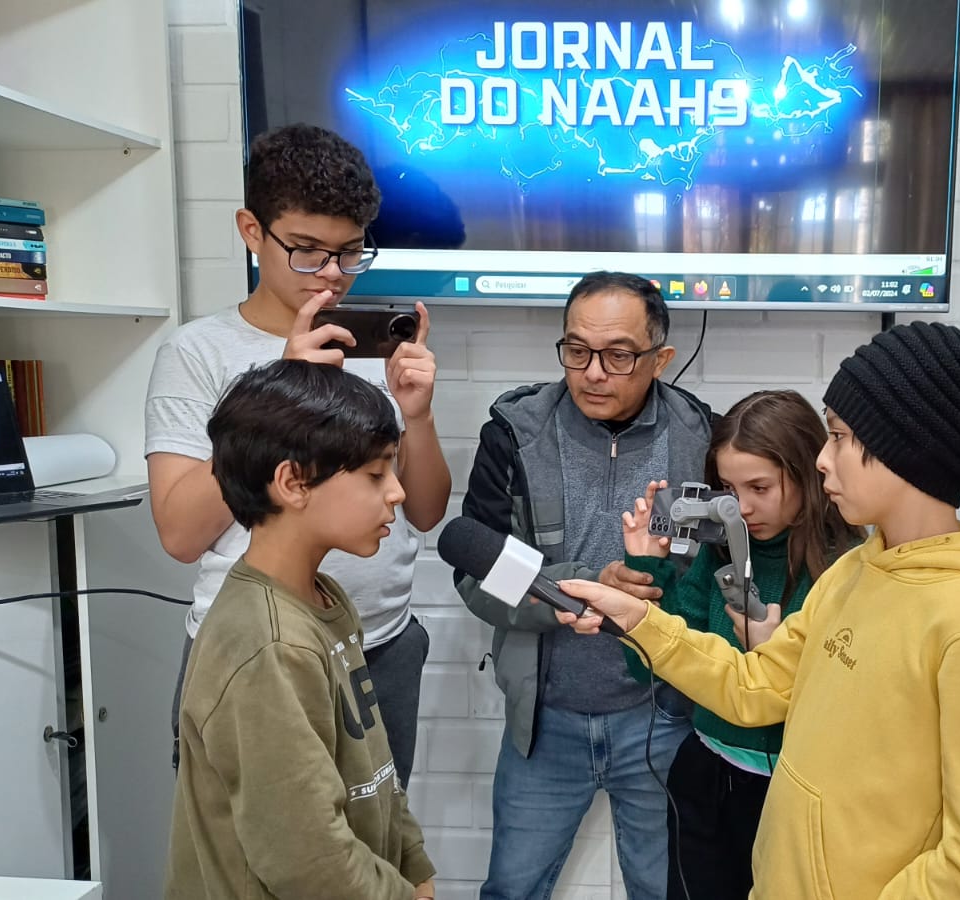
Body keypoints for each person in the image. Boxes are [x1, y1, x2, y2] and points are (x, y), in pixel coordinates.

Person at [556, 322, 960, 898]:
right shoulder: (856, 572)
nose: (820, 459)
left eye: (838, 436)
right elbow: (753, 686)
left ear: (909, 449)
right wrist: (640, 619)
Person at [145, 123, 452, 784]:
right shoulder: (198, 353)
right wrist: (278, 393)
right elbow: (179, 532)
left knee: (377, 855)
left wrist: (418, 417)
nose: (332, 275)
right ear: (252, 231)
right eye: (307, 252)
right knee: (244, 865)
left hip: (381, 646)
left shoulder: (369, 346)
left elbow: (423, 513)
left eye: (350, 252)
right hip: (252, 649)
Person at [454, 271, 712, 899]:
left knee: (669, 889)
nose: (594, 372)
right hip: (545, 723)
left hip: (662, 718)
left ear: (660, 359)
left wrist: (652, 585)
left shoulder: (702, 437)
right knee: (512, 889)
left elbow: (716, 579)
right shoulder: (513, 433)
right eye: (577, 350)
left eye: (619, 354)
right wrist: (576, 587)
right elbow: (474, 569)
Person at [165, 360, 436, 899]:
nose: (398, 493)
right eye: (376, 474)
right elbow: (307, 858)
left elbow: (376, 766)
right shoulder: (266, 644)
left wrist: (414, 866)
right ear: (293, 483)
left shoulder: (327, 602)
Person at [609, 389, 864, 899]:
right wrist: (645, 568)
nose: (740, 507)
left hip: (792, 792)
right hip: (705, 776)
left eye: (760, 487)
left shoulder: (847, 567)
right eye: (726, 488)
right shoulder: (719, 551)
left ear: (812, 470)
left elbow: (848, 710)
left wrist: (772, 654)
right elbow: (650, 668)